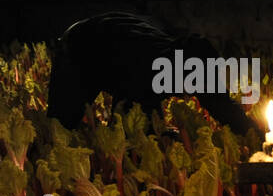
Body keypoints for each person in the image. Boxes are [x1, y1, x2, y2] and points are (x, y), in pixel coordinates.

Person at [46, 11, 255, 135]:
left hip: (116, 38)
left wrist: (259, 136)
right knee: (61, 124)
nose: (191, 93)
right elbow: (129, 116)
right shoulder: (146, 70)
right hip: (79, 48)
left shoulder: (187, 62)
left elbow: (220, 104)